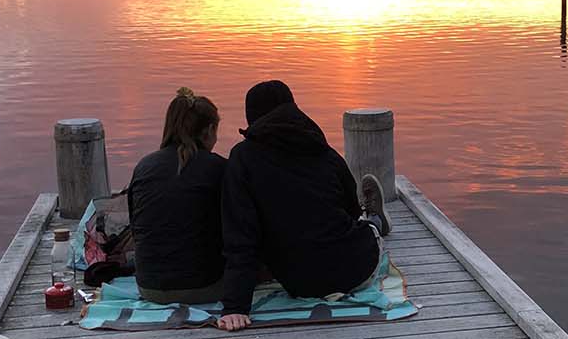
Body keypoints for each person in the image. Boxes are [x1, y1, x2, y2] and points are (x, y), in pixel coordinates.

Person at [217, 80, 389, 332]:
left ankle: (375, 221)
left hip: (300, 282)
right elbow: (350, 210)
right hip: (358, 269)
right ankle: (376, 220)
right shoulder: (323, 151)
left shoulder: (242, 158)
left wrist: (235, 306)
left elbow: (240, 236)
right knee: (363, 224)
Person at [127, 87, 226, 304]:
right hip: (206, 287)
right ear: (209, 131)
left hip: (149, 287)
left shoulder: (144, 166)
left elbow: (136, 227)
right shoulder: (219, 168)